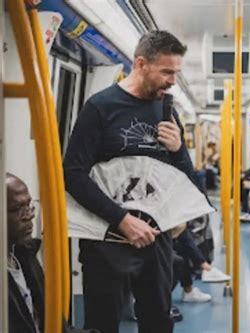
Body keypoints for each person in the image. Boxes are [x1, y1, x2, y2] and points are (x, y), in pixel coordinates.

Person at [64, 30, 192, 333]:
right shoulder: (101, 107)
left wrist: (179, 149)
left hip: (156, 237)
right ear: (141, 64)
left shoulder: (167, 111)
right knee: (103, 322)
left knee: (159, 321)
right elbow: (73, 173)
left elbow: (185, 178)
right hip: (107, 237)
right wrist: (121, 220)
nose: (173, 80)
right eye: (167, 72)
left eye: (176, 72)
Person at [6, 173, 98, 333]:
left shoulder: (24, 258)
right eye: (17, 209)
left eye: (29, 205)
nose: (29, 215)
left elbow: (58, 328)